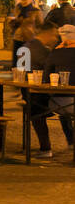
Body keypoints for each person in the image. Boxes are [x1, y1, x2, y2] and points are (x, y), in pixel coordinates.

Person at [31, 24, 75, 158]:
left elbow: (45, 78)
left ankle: (45, 149)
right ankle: (71, 143)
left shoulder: (55, 52)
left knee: (35, 109)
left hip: (60, 103)